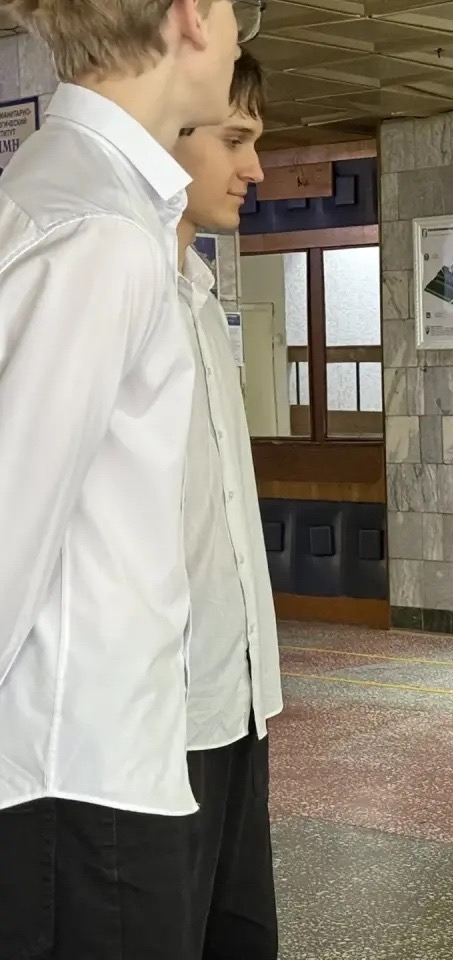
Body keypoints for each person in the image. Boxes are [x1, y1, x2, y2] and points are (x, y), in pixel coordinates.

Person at [0, 1, 251, 957]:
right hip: (78, 784)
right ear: (189, 18)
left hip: (91, 778)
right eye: (233, 9)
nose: (238, 33)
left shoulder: (85, 195)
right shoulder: (98, 230)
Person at [171, 51, 282, 960]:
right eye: (235, 139)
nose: (257, 168)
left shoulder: (201, 300)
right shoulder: (108, 293)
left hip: (237, 701)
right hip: (153, 722)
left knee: (240, 937)